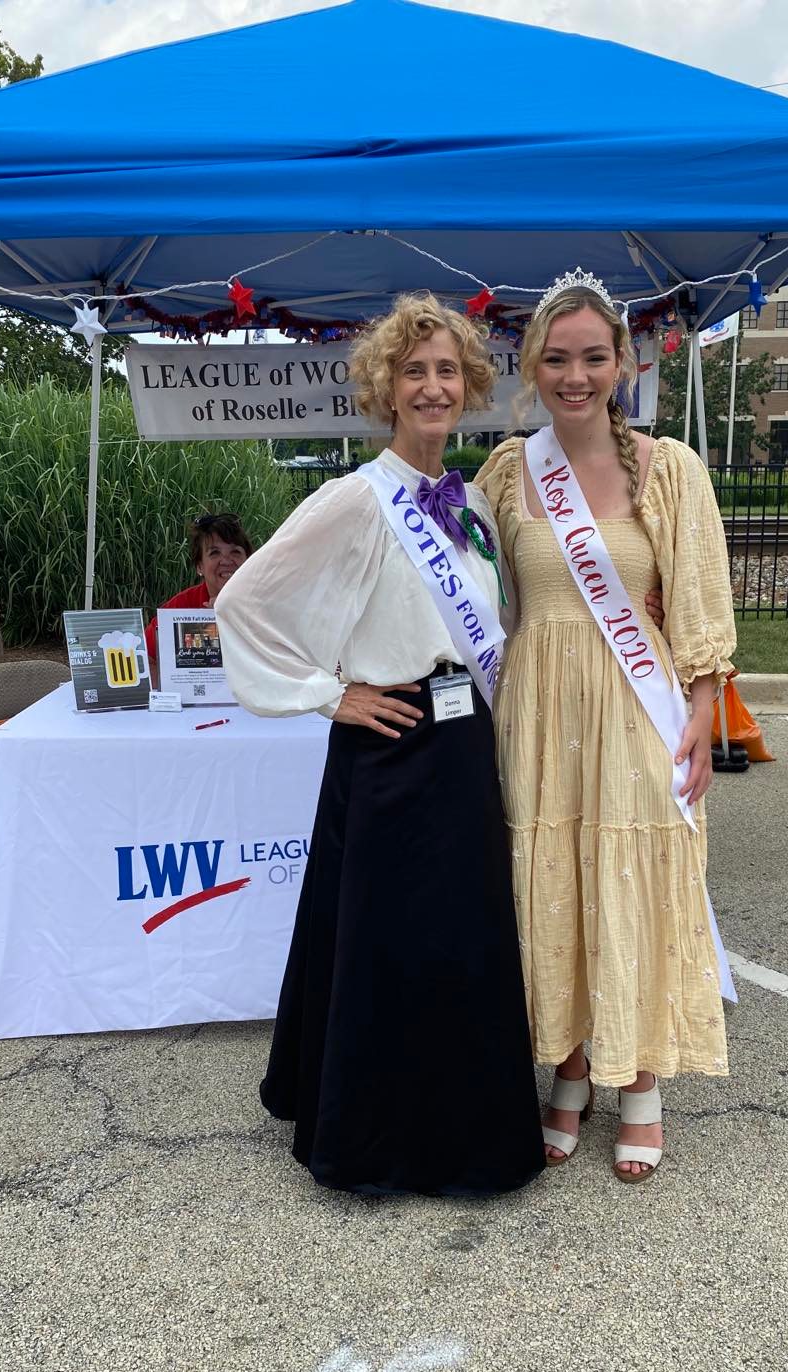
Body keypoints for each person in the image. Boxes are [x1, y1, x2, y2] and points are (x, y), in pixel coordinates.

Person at [215, 293, 545, 1198]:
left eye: (447, 370)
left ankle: (467, 1133)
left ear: (468, 382)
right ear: (386, 389)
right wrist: (331, 693)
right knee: (389, 946)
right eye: (414, 372)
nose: (433, 387)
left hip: (463, 744)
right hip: (393, 747)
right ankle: (376, 1140)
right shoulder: (356, 501)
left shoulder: (473, 500)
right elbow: (244, 602)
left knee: (459, 944)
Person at [475, 272, 737, 1182]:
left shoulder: (670, 470)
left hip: (636, 709)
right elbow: (472, 595)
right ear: (530, 367)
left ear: (624, 362)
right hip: (537, 714)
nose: (575, 375)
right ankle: (572, 1069)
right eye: (557, 359)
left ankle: (642, 1082)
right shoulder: (508, 471)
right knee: (554, 886)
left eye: (594, 356)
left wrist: (702, 718)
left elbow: (699, 609)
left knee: (632, 881)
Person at [145, 512, 252, 663]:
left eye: (235, 551)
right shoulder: (181, 607)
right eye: (215, 553)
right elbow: (142, 656)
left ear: (249, 561)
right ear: (199, 566)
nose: (226, 560)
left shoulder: (265, 605)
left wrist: (229, 616)